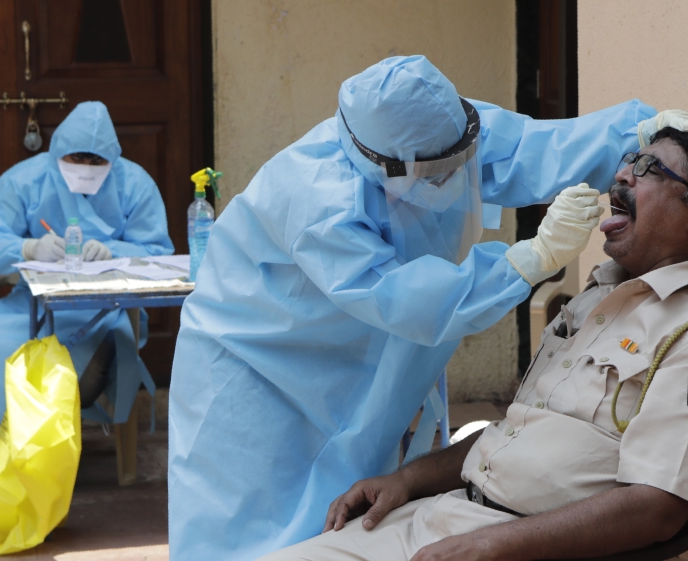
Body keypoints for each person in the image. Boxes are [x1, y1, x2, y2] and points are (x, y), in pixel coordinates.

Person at [168, 55, 659, 560]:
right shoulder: (321, 203)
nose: (460, 175)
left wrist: (642, 130)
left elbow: (527, 147)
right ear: (387, 165)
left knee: (341, 505)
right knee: (248, 524)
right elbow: (403, 298)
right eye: (439, 171)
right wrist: (529, 261)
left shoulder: (438, 129)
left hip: (349, 345)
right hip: (252, 369)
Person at [259, 112, 688, 561]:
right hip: (454, 518)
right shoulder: (601, 297)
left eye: (648, 169)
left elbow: (656, 509)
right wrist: (406, 482)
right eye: (629, 159)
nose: (621, 174)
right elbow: (515, 433)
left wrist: (491, 546)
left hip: (515, 547)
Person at [0, 101, 174, 427]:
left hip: (109, 309)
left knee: (80, 374)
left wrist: (115, 251)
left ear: (113, 157)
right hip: (31, 306)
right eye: (76, 158)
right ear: (57, 152)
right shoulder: (24, 180)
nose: (85, 167)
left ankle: (54, 452)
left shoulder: (135, 183)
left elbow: (158, 251)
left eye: (96, 161)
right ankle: (20, 451)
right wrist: (28, 247)